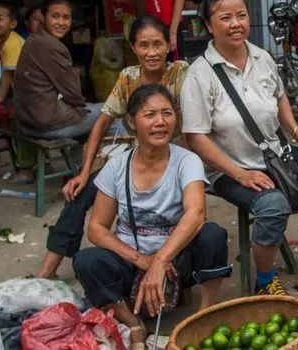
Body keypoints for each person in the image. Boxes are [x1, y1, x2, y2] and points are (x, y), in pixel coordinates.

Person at [181, 0, 298, 295]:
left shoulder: (261, 57)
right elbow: (195, 138)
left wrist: (295, 131)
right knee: (273, 205)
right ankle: (265, 281)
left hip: (277, 153)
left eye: (241, 15)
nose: (236, 23)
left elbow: (279, 97)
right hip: (230, 169)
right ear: (210, 26)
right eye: (225, 17)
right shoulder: (199, 75)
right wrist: (240, 174)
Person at [73, 85, 230, 349]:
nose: (160, 122)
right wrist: (141, 260)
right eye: (150, 115)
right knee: (86, 261)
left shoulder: (186, 161)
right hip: (132, 260)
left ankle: (204, 314)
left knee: (213, 235)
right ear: (132, 122)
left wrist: (160, 260)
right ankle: (133, 323)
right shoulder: (116, 166)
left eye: (167, 113)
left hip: (178, 259)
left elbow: (195, 214)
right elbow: (97, 228)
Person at [37, 16, 189, 279]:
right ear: (133, 48)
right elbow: (101, 122)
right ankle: (46, 272)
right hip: (135, 159)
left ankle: (172, 270)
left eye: (157, 44)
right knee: (79, 192)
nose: (151, 52)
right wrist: (84, 172)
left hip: (173, 158)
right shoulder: (128, 77)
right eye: (143, 45)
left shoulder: (182, 73)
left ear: (168, 45)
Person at [14, 0, 102, 139]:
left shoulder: (33, 39)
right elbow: (73, 93)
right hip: (44, 125)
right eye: (55, 16)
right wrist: (74, 76)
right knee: (114, 114)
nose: (61, 23)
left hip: (28, 121)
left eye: (66, 18)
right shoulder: (51, 46)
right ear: (43, 17)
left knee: (96, 110)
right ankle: (118, 160)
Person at [0, 2, 23, 106]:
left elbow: (8, 74)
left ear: (13, 24)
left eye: (0, 19)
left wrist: (0, 97)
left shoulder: (12, 43)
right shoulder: (1, 41)